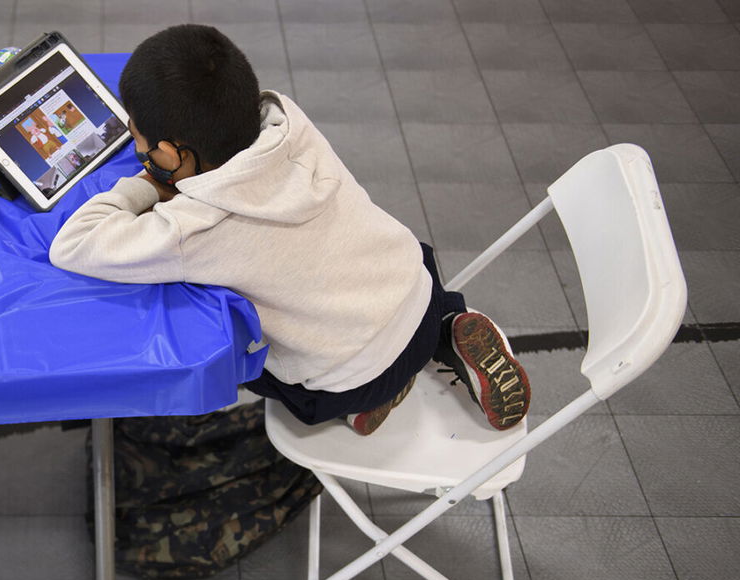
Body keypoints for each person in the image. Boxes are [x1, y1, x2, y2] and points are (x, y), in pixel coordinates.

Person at [49, 24, 529, 435]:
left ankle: (368, 403)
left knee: (257, 369)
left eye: (137, 136)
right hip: (417, 287)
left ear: (173, 154)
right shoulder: (288, 124)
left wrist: (150, 183)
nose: (135, 143)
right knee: (393, 256)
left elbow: (73, 245)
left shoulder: (192, 227)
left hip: (353, 375)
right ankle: (449, 326)